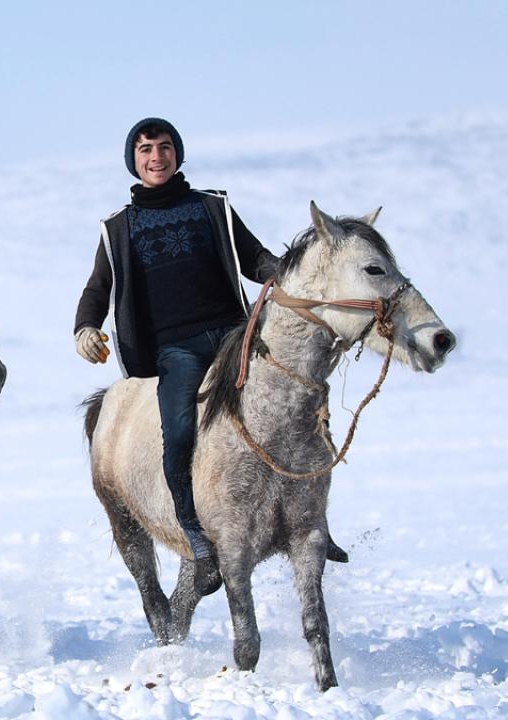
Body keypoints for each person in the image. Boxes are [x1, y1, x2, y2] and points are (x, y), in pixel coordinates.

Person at [73, 118, 348, 597]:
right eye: (144, 150)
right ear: (132, 161)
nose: (155, 157)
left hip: (233, 335)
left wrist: (290, 279)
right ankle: (196, 540)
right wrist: (85, 328)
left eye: (163, 147)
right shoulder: (119, 228)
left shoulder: (210, 208)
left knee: (295, 405)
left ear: (178, 153)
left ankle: (311, 523)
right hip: (174, 349)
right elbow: (99, 288)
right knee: (179, 430)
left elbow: (255, 258)